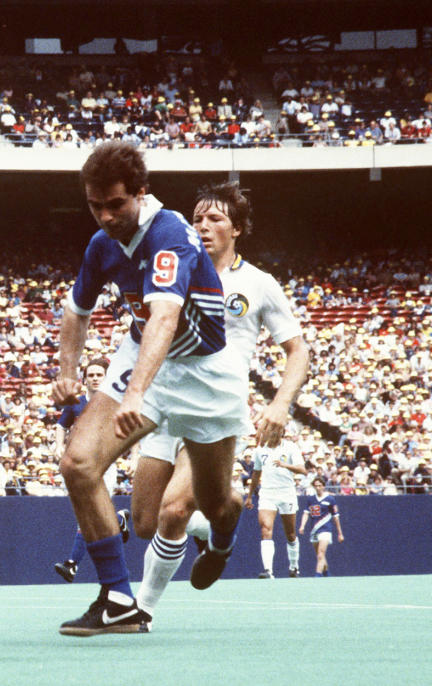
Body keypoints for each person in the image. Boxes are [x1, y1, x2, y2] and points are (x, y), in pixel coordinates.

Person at [54, 141, 251, 636]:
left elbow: (166, 315)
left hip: (204, 373)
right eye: (95, 205)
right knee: (78, 463)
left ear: (141, 193)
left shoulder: (171, 234)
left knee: (214, 503)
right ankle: (118, 599)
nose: (104, 216)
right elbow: (76, 311)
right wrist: (68, 371)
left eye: (115, 204)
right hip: (143, 356)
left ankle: (224, 536)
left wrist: (137, 393)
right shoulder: (102, 244)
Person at [130, 181, 309, 624]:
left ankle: (141, 611)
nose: (203, 226)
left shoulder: (258, 283)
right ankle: (220, 525)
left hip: (213, 408)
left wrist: (280, 404)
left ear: (238, 229)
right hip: (164, 404)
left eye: (215, 219)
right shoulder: (173, 268)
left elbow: (298, 349)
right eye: (197, 219)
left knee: (174, 509)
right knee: (145, 523)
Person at [52, 358, 131, 582]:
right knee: (93, 515)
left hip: (104, 464)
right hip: (80, 465)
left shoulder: (114, 401)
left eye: (99, 375)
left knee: (89, 512)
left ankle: (72, 563)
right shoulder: (76, 402)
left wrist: (133, 457)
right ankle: (118, 519)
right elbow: (61, 425)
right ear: (85, 378)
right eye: (91, 375)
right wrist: (59, 445)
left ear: (106, 378)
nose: (95, 378)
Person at [245, 436, 307, 578]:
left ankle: (294, 567)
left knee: (290, 534)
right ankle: (268, 570)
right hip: (267, 493)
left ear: (281, 432)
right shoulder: (260, 449)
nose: (271, 433)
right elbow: (256, 473)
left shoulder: (291, 447)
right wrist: (249, 496)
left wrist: (285, 465)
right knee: (265, 528)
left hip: (287, 492)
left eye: (275, 430)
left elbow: (303, 470)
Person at [298, 476, 343, 576]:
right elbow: (306, 513)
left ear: (323, 486)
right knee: (319, 554)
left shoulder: (330, 499)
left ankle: (318, 574)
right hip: (314, 530)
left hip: (326, 529)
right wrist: (302, 526)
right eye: (316, 486)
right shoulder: (311, 499)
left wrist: (340, 533)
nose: (318, 488)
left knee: (321, 552)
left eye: (320, 485)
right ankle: (326, 572)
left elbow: (336, 517)